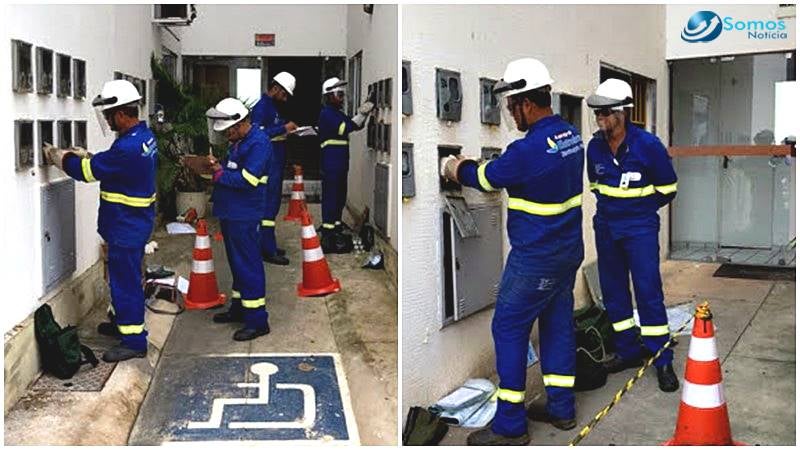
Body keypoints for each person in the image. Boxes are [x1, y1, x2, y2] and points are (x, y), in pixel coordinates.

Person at [441, 58, 584, 445]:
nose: (508, 114)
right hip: (568, 252)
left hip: (535, 258)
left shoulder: (527, 151)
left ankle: (509, 425)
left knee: (508, 328)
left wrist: (455, 166)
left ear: (525, 103)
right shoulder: (572, 137)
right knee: (556, 325)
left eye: (510, 107)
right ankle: (561, 407)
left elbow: (486, 178)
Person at [44, 79, 157, 362]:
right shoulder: (142, 138)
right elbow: (117, 168)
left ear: (120, 113)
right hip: (132, 223)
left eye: (108, 115)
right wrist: (95, 157)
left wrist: (60, 157)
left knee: (125, 283)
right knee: (123, 280)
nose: (107, 120)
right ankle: (123, 324)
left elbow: (85, 172)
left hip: (125, 227)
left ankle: (134, 340)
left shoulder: (127, 148)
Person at [586, 78, 679, 392]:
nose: (599, 120)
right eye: (596, 114)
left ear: (623, 112)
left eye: (605, 113)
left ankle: (661, 357)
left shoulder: (648, 145)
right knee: (613, 291)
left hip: (639, 229)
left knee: (647, 290)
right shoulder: (594, 147)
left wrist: (639, 209)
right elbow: (597, 188)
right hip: (607, 228)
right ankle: (627, 350)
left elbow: (668, 189)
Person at [205, 98, 271, 341]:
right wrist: (217, 166)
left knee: (248, 264)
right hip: (232, 212)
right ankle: (240, 307)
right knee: (237, 264)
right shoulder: (240, 141)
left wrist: (219, 174)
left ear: (240, 123)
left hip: (245, 213)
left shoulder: (258, 143)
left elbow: (248, 180)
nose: (226, 135)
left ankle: (257, 320)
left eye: (228, 131)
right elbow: (234, 169)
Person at [317, 77, 374, 253]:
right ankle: (327, 235)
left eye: (343, 94)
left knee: (339, 196)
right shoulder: (327, 113)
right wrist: (362, 113)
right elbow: (347, 127)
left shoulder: (336, 113)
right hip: (331, 162)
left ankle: (335, 228)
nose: (342, 98)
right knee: (331, 197)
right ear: (329, 95)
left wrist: (363, 114)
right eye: (339, 94)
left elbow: (354, 125)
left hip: (339, 163)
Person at [250, 71, 297, 265]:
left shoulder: (272, 107)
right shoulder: (262, 107)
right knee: (268, 208)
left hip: (276, 161)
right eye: (284, 94)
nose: (285, 98)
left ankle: (268, 244)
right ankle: (267, 250)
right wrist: (283, 129)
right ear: (275, 88)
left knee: (273, 206)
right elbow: (258, 135)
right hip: (268, 164)